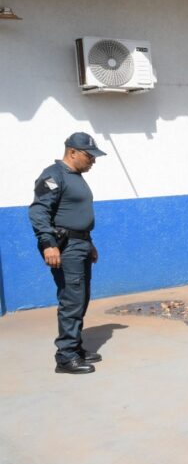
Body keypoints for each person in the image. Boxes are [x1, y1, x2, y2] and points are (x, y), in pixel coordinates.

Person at [29, 133, 106, 374]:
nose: (93, 160)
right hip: (66, 247)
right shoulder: (54, 175)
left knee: (81, 297)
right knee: (71, 300)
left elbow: (77, 216)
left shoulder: (77, 177)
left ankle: (76, 347)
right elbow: (39, 211)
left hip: (81, 244)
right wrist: (48, 243)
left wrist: (89, 243)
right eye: (89, 155)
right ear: (72, 152)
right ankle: (66, 356)